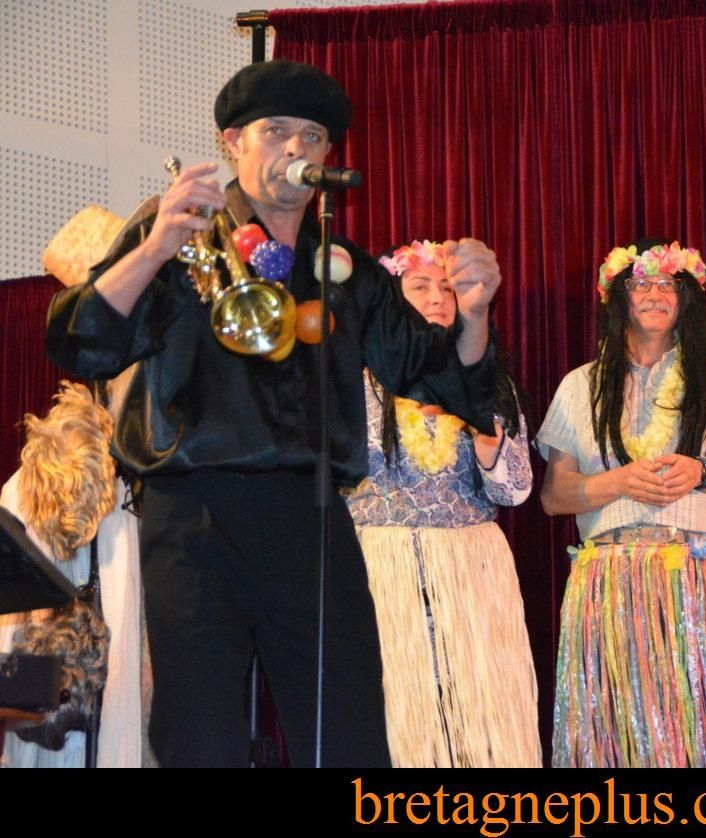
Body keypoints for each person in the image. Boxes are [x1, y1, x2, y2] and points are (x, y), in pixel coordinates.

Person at [43, 60, 502, 767]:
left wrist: (474, 312)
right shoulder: (180, 232)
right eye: (276, 131)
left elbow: (441, 376)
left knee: (347, 732)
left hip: (310, 514)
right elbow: (81, 342)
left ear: (328, 155)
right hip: (193, 514)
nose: (295, 148)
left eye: (312, 136)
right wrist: (157, 245)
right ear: (233, 142)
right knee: (200, 737)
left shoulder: (342, 265)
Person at [537, 238, 706, 768]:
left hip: (702, 578)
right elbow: (554, 495)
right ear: (617, 298)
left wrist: (704, 473)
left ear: (684, 297)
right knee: (618, 735)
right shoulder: (580, 385)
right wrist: (619, 482)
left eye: (668, 283)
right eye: (640, 283)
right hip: (610, 580)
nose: (654, 294)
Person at [344, 240, 541, 767]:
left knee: (478, 721)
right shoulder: (353, 382)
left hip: (470, 571)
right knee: (395, 720)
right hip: (380, 573)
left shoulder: (489, 384)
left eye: (448, 288)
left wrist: (489, 444)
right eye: (420, 286)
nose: (437, 298)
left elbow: (516, 491)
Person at [1, 382, 146, 768]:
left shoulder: (122, 502)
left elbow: (130, 622)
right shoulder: (17, 494)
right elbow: (8, 622)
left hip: (96, 701)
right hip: (43, 702)